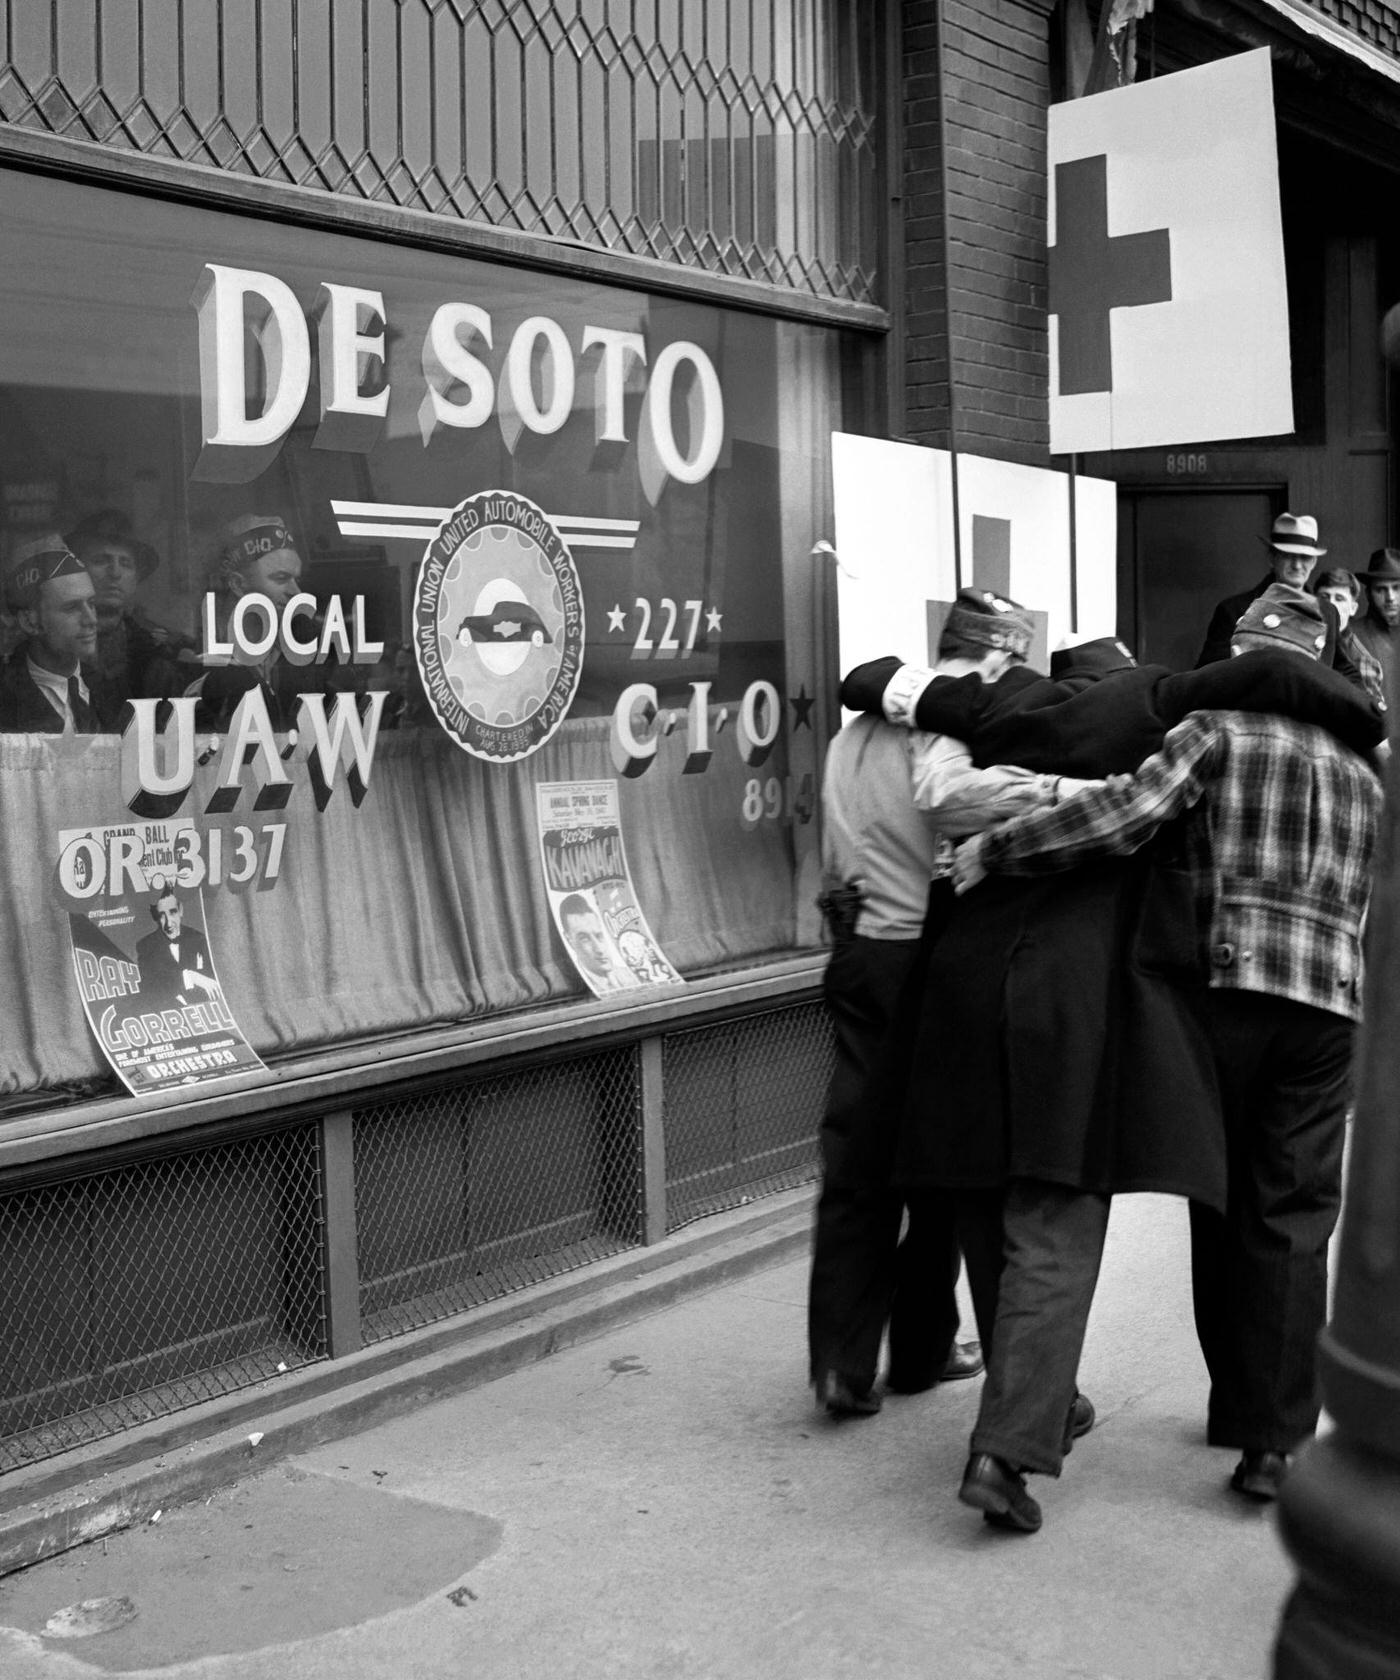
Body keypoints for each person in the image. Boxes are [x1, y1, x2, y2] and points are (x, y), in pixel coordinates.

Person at [952, 584, 1383, 1520]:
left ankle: (1028, 1436)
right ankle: (1271, 1443)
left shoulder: (1216, 730)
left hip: (1218, 994)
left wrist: (1000, 850)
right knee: (1293, 1214)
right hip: (1328, 1010)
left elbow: (1119, 817)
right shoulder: (1361, 767)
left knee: (1217, 1197)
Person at [809, 588, 1068, 1418]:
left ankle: (842, 1364)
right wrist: (1057, 793)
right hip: (922, 961)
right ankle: (921, 1350)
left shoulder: (853, 732)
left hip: (854, 952)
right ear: (996, 657)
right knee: (948, 1161)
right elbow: (952, 806)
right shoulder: (949, 726)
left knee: (857, 1164)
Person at [180, 514, 323, 732]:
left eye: (297, 580)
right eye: (281, 578)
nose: (296, 592)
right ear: (237, 584)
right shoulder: (199, 661)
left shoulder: (303, 657)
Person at [66, 508, 192, 708]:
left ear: (135, 580)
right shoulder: (51, 647)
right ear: (76, 571)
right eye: (101, 561)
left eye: (125, 563)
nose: (115, 573)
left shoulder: (155, 661)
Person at [0, 534, 116, 732]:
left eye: (91, 604)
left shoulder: (113, 688)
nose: (91, 620)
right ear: (30, 622)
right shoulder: (6, 697)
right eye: (72, 608)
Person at [1195, 511, 1334, 670]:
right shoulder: (1233, 610)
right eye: (1288, 556)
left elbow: (1345, 669)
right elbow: (1207, 671)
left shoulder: (1328, 612)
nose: (1297, 565)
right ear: (1272, 558)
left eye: (1304, 557)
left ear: (1314, 562)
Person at [135, 887, 219, 1009]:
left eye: (172, 912)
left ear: (181, 911)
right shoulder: (145, 945)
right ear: (156, 918)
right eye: (162, 916)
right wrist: (189, 976)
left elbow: (213, 978)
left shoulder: (199, 939)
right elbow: (151, 987)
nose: (169, 923)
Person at [1314, 567, 1385, 708]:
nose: (1331, 605)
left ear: (1353, 608)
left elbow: (1366, 718)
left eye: (1339, 599)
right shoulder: (1302, 638)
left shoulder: (1363, 661)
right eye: (1324, 597)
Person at [1351, 547, 1400, 711]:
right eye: (1381, 589)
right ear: (1368, 594)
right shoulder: (1352, 636)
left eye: (1396, 588)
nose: (1390, 597)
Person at [558, 893, 636, 994]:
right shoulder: (572, 986)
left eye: (599, 936)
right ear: (569, 941)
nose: (599, 949)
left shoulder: (630, 974)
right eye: (584, 939)